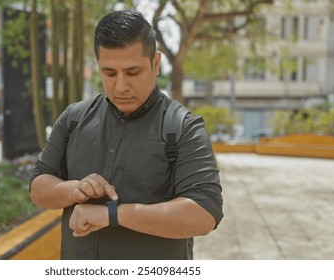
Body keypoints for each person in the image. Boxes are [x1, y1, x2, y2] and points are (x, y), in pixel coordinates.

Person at [29, 9, 223, 260]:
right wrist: (74, 189)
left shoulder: (183, 126)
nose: (120, 86)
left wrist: (112, 214)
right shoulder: (73, 118)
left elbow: (204, 214)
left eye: (132, 73)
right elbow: (38, 188)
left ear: (155, 64)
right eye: (109, 73)